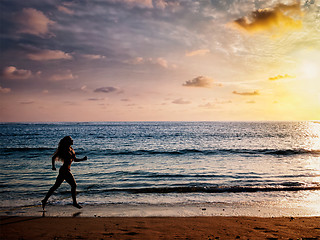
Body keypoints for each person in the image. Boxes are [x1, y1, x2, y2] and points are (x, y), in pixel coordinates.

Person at [42, 136, 87, 210]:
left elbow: (75, 160)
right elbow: (53, 157)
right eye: (71, 140)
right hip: (64, 170)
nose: (72, 140)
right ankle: (74, 203)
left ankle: (44, 200)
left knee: (55, 186)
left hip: (66, 170)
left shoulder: (71, 149)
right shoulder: (63, 149)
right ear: (67, 141)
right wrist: (53, 166)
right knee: (73, 185)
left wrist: (83, 159)